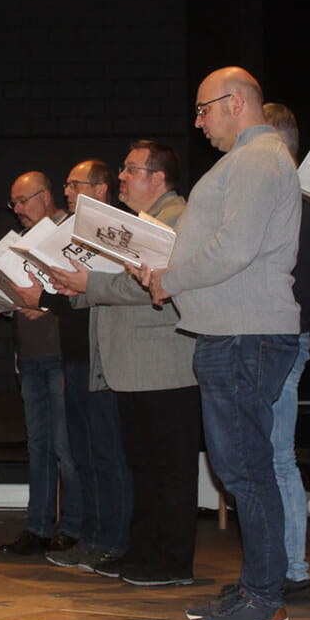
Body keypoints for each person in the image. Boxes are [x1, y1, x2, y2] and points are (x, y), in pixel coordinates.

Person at [140, 67, 300, 620]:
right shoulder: (249, 161)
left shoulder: (258, 159)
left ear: (235, 103)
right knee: (241, 467)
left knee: (246, 469)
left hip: (244, 331)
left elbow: (234, 248)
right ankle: (257, 588)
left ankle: (264, 600)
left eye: (204, 109)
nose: (199, 121)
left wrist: (171, 279)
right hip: (233, 329)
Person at [46, 142, 201, 587]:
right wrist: (72, 284)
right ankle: (146, 554)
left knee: (168, 470)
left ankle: (170, 562)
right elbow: (119, 281)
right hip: (133, 365)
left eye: (131, 170)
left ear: (158, 177)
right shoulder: (135, 223)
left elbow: (155, 283)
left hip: (163, 362)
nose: (122, 179)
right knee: (146, 469)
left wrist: (87, 283)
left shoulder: (177, 217)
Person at [20, 160, 131, 574]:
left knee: (105, 452)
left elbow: (112, 290)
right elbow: (70, 294)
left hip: (104, 353)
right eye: (66, 183)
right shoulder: (71, 231)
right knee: (83, 453)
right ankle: (91, 537)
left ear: (102, 189)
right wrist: (42, 298)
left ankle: (114, 541)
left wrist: (50, 297)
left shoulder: (114, 231)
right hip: (74, 353)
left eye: (75, 184)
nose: (68, 191)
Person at [262, 103, 310, 603]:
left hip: (282, 335)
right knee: (270, 455)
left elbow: (292, 283)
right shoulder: (298, 200)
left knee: (277, 457)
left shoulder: (299, 203)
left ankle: (292, 570)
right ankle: (282, 567)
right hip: (281, 333)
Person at [0, 172, 80, 555]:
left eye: (24, 201)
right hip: (29, 356)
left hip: (62, 353)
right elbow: (21, 297)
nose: (19, 210)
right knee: (39, 445)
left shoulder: (71, 234)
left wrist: (44, 305)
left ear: (46, 197)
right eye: (14, 203)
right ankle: (38, 527)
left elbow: (78, 294)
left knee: (66, 445)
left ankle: (74, 526)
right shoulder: (19, 244)